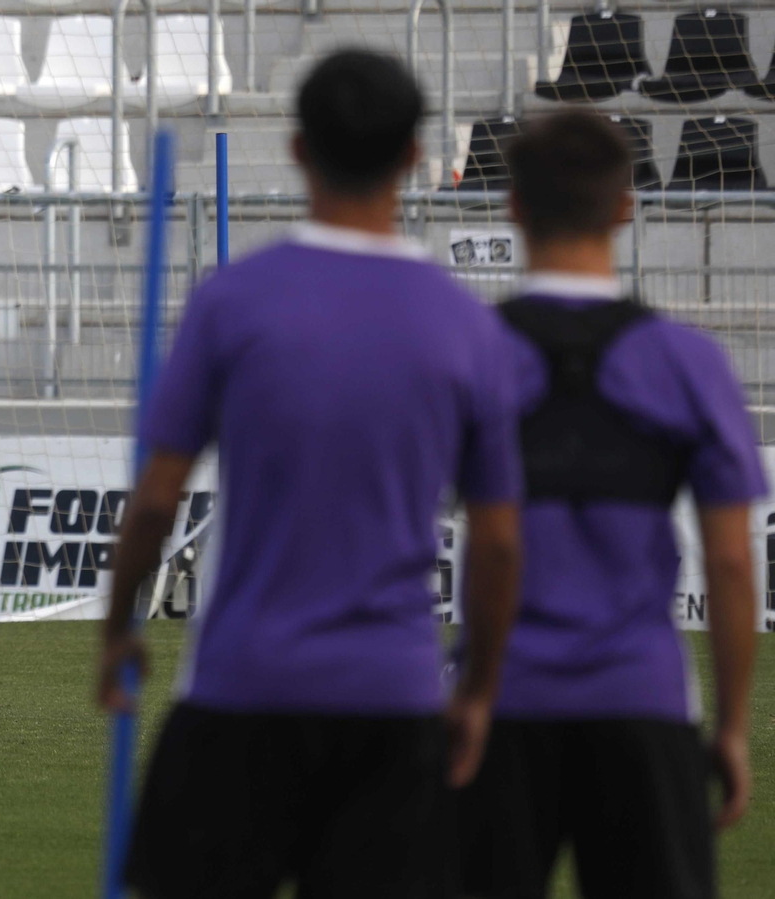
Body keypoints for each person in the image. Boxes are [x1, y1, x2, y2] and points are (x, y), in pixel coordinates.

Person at [97, 49, 525, 897]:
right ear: (413, 157)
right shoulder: (465, 325)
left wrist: (118, 628)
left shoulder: (234, 300)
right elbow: (503, 541)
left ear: (296, 150)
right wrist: (477, 685)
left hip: (241, 690)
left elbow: (155, 498)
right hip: (394, 698)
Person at [455, 110, 761, 899]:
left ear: (513, 205)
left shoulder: (467, 353)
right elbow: (730, 558)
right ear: (627, 204)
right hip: (643, 701)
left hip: (504, 703)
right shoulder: (689, 360)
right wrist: (730, 727)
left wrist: (465, 692)